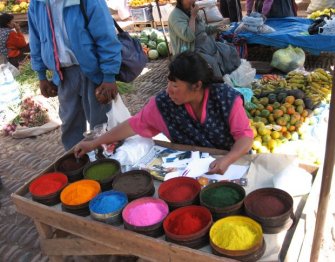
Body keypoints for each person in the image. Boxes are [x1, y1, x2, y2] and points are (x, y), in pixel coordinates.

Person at [75, 51, 253, 174]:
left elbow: (245, 138)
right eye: (168, 83)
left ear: (197, 85)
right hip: (192, 169)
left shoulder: (226, 99)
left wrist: (227, 159)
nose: (169, 90)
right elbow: (133, 125)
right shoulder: (164, 104)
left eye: (175, 85)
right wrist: (94, 143)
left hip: (233, 165)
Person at [28, 0, 122, 150]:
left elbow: (106, 36)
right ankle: (77, 161)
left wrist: (109, 76)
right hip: (62, 74)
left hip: (92, 73)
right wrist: (41, 75)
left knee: (101, 124)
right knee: (69, 124)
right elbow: (36, 40)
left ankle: (106, 158)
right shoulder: (37, 4)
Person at [168, 0, 241, 78]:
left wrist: (223, 27)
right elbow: (189, 36)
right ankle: (218, 85)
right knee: (212, 62)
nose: (193, 1)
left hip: (206, 45)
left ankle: (233, 79)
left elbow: (205, 29)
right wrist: (193, 17)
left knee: (229, 50)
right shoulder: (175, 16)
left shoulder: (192, 10)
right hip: (190, 51)